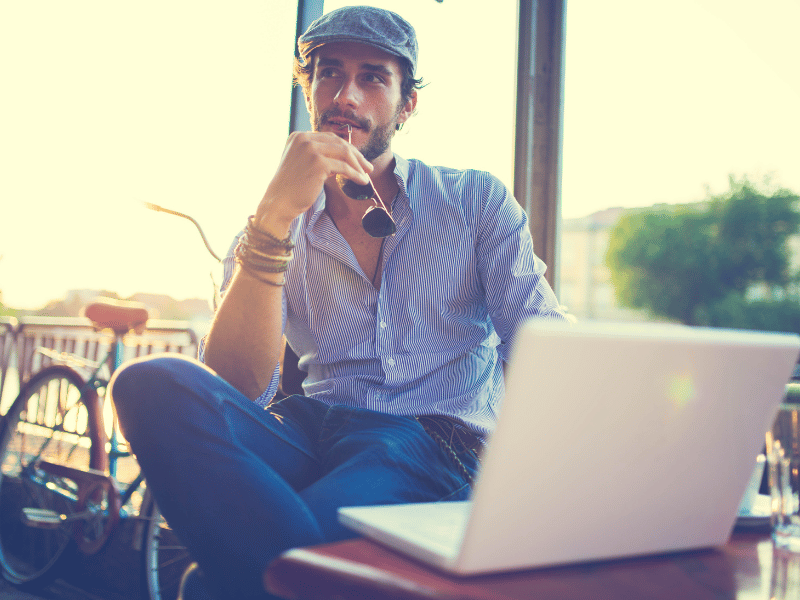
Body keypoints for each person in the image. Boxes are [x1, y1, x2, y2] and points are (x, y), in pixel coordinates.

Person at [110, 5, 566, 600]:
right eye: (328, 73)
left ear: (407, 105)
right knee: (148, 384)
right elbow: (237, 386)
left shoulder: (473, 200)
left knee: (220, 584)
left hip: (428, 439)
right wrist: (274, 219)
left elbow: (539, 339)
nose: (345, 94)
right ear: (308, 90)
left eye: (373, 76)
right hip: (309, 431)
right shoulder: (268, 231)